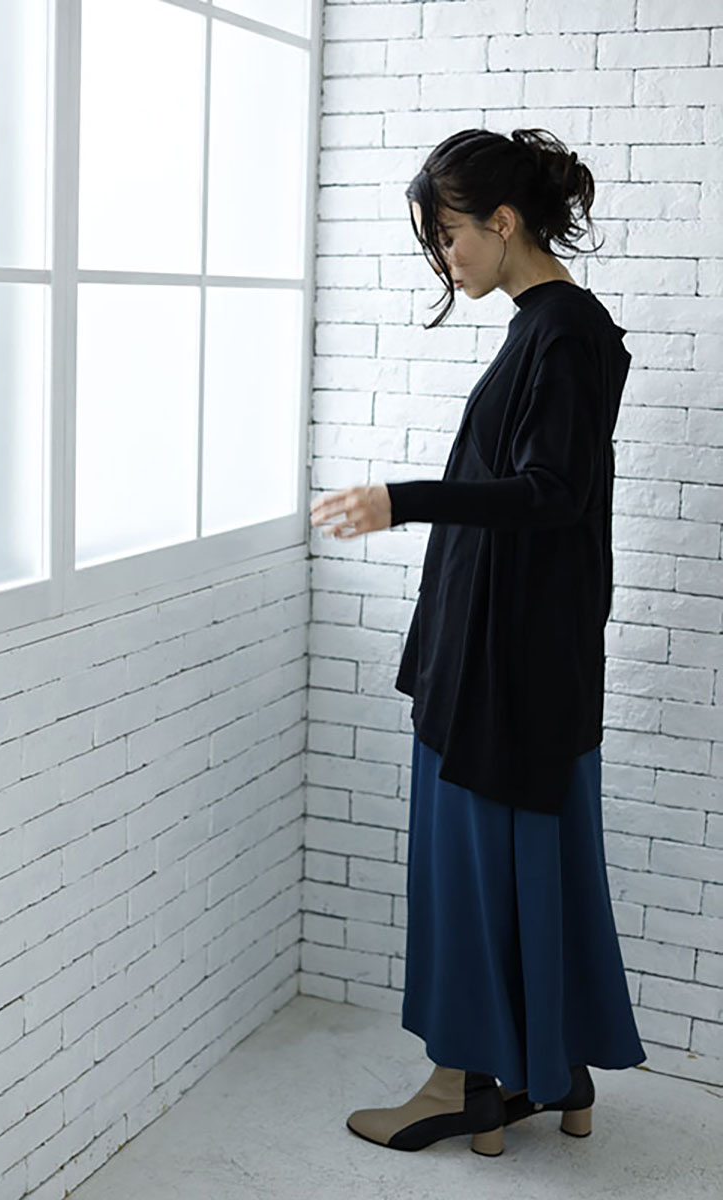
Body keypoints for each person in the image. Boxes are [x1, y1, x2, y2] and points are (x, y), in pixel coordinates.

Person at [309, 127, 647, 1158]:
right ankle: (555, 1073)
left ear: (503, 222)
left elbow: (551, 493)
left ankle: (462, 1083)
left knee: (468, 871)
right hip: (516, 650)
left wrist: (400, 498)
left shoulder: (564, 333)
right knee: (526, 864)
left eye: (449, 236)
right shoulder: (549, 326)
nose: (443, 260)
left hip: (509, 660)